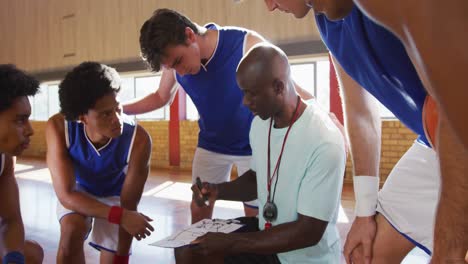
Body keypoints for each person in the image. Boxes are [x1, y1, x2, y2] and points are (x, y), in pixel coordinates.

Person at [261, 0, 468, 263]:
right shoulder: (327, 17)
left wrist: (449, 248)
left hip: (456, 125)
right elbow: (360, 113)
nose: (269, 6)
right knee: (366, 255)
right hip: (437, 137)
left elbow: (455, 101)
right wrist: (364, 211)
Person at [123, 8, 314, 224]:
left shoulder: (247, 44)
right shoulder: (173, 64)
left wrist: (322, 116)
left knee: (257, 220)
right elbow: (160, 97)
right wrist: (121, 109)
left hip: (254, 147)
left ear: (189, 35)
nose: (180, 73)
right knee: (199, 210)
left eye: (178, 62)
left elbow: (291, 89)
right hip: (211, 146)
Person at [176, 43, 346, 263]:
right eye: (243, 92)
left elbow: (309, 232)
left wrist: (233, 244)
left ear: (278, 87)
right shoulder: (260, 124)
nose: (245, 102)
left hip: (303, 255)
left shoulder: (324, 141)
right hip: (268, 231)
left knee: (214, 253)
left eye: (252, 94)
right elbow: (257, 180)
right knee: (190, 251)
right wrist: (217, 190)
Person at [46, 62, 154, 264]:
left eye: (118, 108)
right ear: (82, 117)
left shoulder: (138, 140)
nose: (117, 119)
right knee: (70, 233)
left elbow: (129, 205)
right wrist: (119, 216)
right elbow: (66, 194)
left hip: (116, 196)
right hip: (79, 191)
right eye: (106, 113)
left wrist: (121, 256)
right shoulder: (59, 128)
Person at [0, 64, 44, 264]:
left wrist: (14, 259)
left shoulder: (5, 158)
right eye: (20, 120)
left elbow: (11, 220)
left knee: (31, 254)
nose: (30, 130)